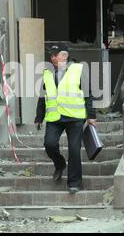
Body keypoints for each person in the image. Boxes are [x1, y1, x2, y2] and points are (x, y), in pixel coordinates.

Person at [35, 44, 97, 194]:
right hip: (55, 117)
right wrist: (39, 116)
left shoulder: (79, 69)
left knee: (74, 150)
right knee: (49, 144)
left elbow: (87, 93)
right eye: (51, 55)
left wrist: (91, 115)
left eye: (56, 54)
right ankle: (60, 164)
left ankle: (74, 183)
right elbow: (44, 97)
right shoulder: (48, 73)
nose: (53, 58)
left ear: (65, 56)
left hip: (75, 117)